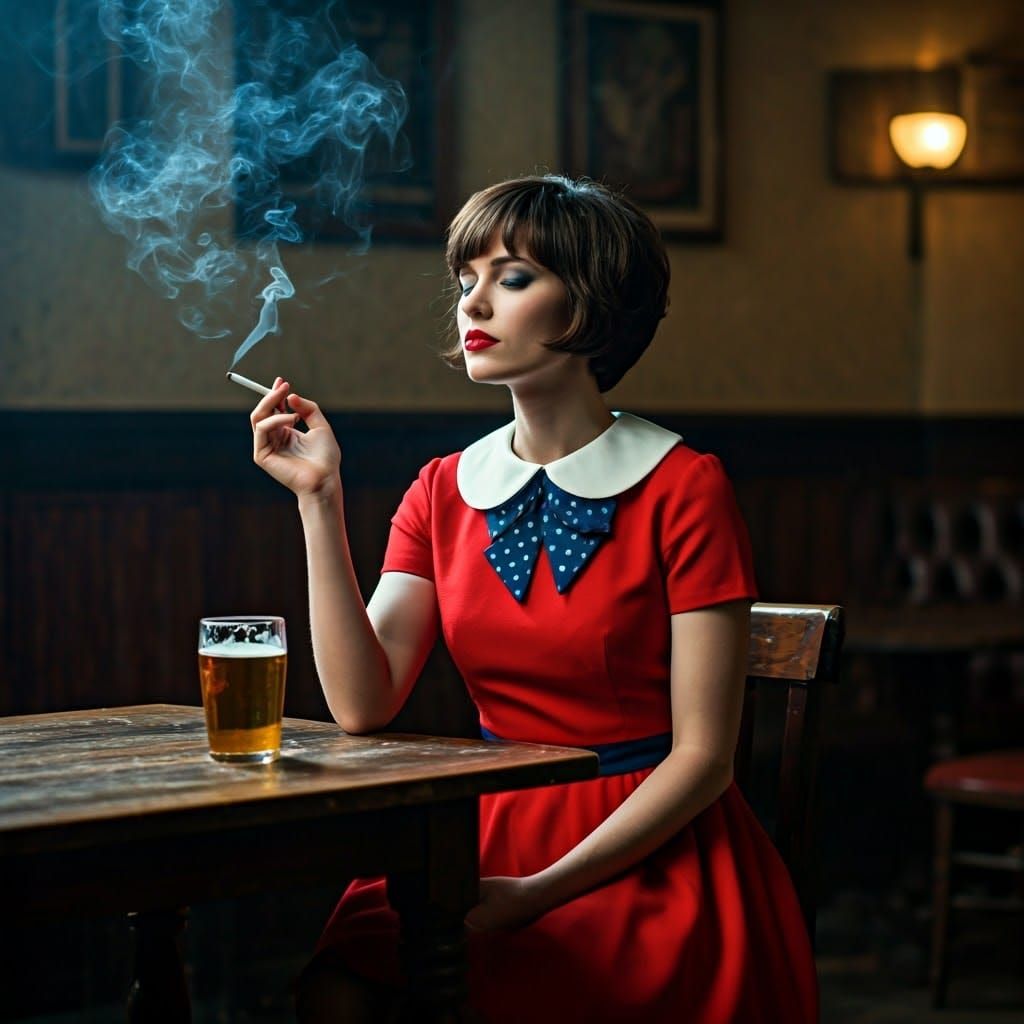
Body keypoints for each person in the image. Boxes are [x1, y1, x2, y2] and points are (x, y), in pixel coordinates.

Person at [249, 174, 817, 1023]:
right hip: (480, 825)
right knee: (342, 986)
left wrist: (539, 892)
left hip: (648, 842)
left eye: (511, 278)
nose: (474, 304)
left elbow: (705, 760)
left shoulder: (684, 487)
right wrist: (318, 501)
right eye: (465, 280)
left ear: (590, 305)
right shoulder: (444, 489)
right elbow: (362, 705)